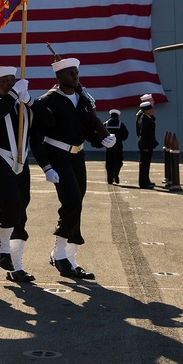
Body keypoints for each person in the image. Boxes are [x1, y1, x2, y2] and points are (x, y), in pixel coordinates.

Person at [32, 56, 116, 280]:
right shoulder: (46, 102)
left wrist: (102, 140)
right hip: (57, 156)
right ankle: (60, 255)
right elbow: (36, 139)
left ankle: (69, 257)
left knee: (77, 202)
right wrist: (47, 166)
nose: (75, 76)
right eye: (70, 73)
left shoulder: (82, 99)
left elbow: (88, 129)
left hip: (78, 156)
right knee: (72, 201)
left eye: (76, 73)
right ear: (59, 77)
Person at [0, 66, 54, 283]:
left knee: (21, 206)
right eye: (5, 81)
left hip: (21, 159)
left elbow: (49, 121)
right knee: (10, 198)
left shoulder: (24, 103)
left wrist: (29, 100)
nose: (10, 84)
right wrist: (12, 95)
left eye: (13, 80)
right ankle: (2, 248)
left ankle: (16, 266)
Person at [136, 96, 158, 189]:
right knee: (144, 165)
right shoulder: (144, 118)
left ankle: (146, 181)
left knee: (146, 164)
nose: (152, 110)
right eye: (151, 109)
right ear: (146, 110)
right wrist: (145, 145)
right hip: (146, 145)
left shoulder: (147, 116)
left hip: (148, 144)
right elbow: (143, 133)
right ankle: (144, 183)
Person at [104, 109, 129, 185]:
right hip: (118, 145)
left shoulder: (106, 124)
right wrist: (121, 139)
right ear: (118, 116)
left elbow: (100, 132)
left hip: (108, 146)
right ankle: (115, 171)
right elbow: (125, 134)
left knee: (109, 162)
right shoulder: (121, 124)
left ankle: (109, 179)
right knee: (118, 160)